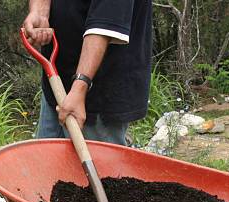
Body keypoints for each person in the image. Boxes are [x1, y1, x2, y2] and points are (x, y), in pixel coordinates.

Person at [23, 0, 152, 145]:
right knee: (46, 163)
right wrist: (40, 12)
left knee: (98, 166)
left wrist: (80, 87)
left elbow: (104, 24)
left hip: (98, 94)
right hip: (56, 83)